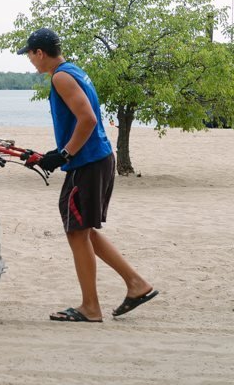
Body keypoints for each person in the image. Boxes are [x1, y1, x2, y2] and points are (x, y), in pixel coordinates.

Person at [19, 28, 158, 322]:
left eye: (30, 56)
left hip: (88, 162)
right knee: (84, 231)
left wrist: (65, 154)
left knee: (76, 232)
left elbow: (88, 119)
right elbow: (82, 121)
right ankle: (136, 284)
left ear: (40, 53)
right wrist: (55, 154)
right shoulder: (75, 71)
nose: (30, 62)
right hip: (97, 159)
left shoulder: (60, 77)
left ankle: (91, 307)